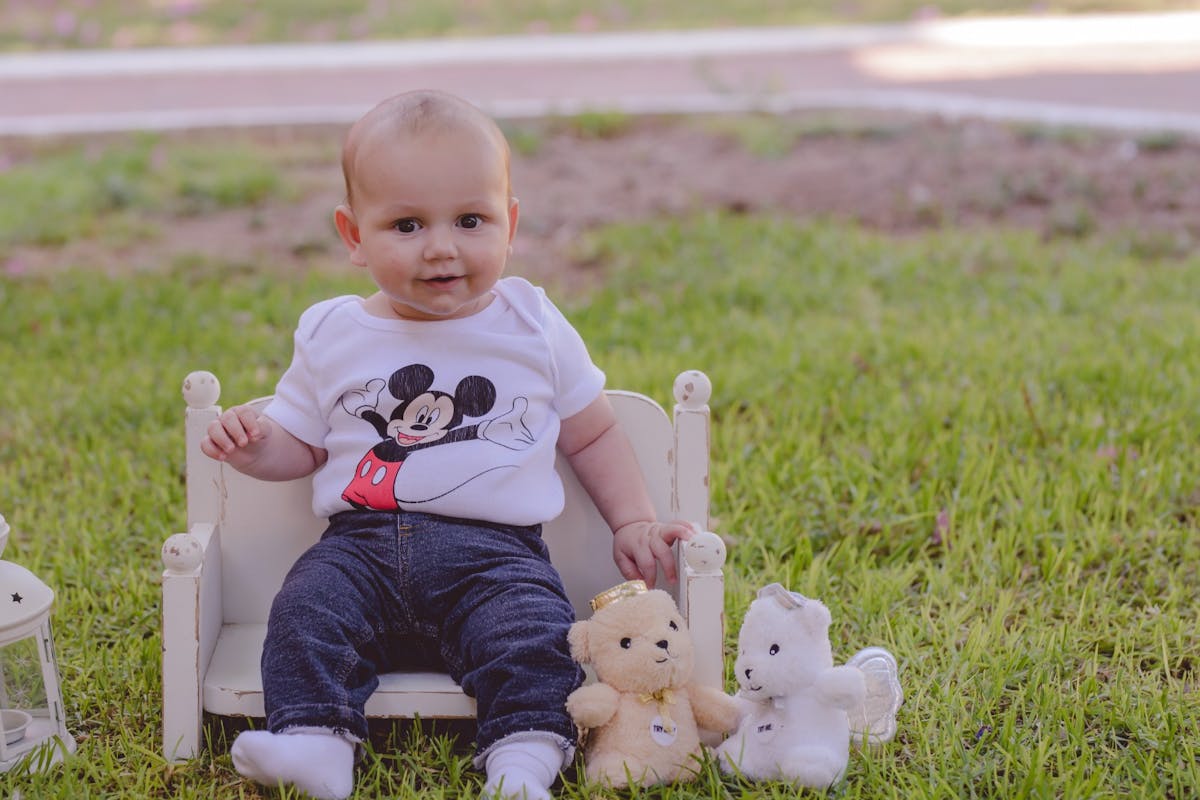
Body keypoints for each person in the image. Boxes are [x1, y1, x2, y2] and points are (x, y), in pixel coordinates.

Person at [199, 89, 693, 800]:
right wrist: (254, 447)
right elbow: (300, 446)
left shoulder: (532, 321)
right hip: (360, 547)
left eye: (470, 220)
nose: (441, 247)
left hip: (496, 555)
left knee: (534, 636)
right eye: (406, 224)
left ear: (510, 223)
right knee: (305, 613)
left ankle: (523, 761)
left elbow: (593, 433)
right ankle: (315, 744)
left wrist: (634, 521)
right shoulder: (332, 331)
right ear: (353, 234)